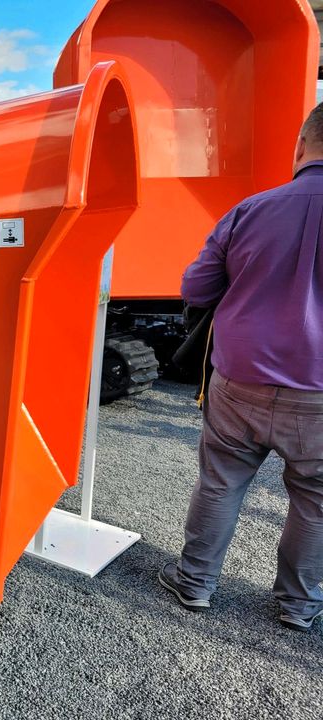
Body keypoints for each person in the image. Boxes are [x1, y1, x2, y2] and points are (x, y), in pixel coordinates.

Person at [158, 103, 323, 632]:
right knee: (316, 503)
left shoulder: (250, 211)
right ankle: (298, 605)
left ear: (300, 146)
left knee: (221, 483)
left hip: (240, 380)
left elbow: (195, 289)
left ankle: (195, 583)